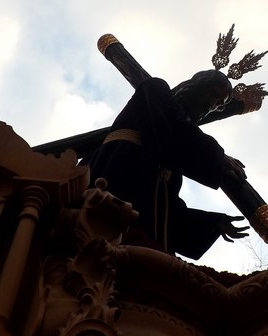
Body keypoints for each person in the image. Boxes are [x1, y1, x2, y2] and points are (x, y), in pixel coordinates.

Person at [84, 70, 248, 259]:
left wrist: (212, 223)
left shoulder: (171, 167)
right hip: (113, 176)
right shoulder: (155, 89)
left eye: (219, 105)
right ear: (196, 85)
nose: (211, 105)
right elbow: (169, 129)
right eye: (213, 94)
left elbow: (167, 211)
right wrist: (218, 157)